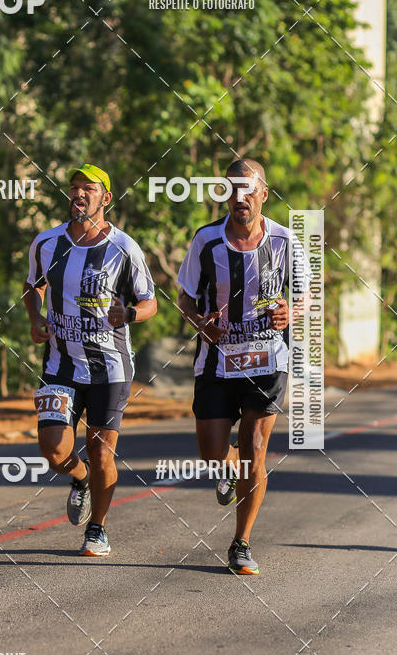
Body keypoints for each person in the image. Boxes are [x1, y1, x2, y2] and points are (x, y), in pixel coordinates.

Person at [177, 159, 309, 575]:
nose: (240, 197)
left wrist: (291, 312)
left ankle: (241, 542)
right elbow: (184, 298)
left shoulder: (285, 240)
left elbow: (306, 294)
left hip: (267, 358)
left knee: (255, 447)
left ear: (264, 194)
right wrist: (201, 324)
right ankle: (228, 467)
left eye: (249, 189)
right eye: (232, 188)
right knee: (212, 453)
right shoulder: (206, 241)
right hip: (217, 360)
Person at [23, 163, 157, 556]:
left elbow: (149, 303)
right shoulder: (47, 243)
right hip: (60, 364)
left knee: (101, 452)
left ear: (106, 198)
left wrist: (128, 314)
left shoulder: (124, 248)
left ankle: (97, 529)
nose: (79, 193)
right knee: (54, 451)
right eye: (74, 187)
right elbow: (33, 286)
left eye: (89, 188)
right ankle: (79, 478)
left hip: (109, 368)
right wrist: (35, 317)